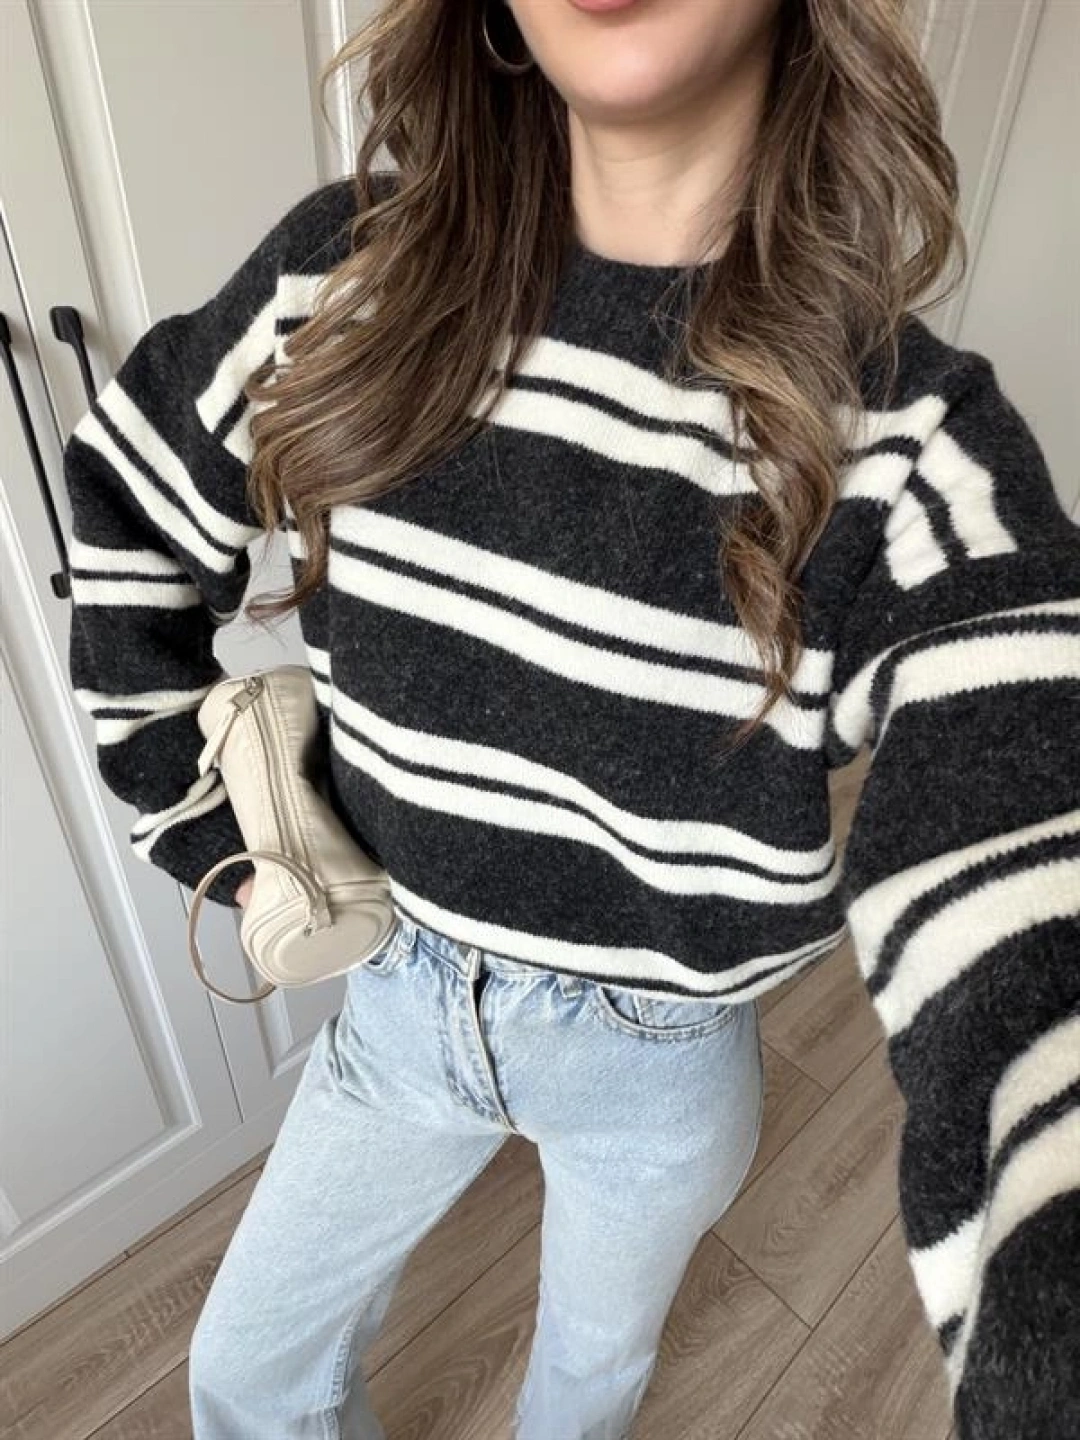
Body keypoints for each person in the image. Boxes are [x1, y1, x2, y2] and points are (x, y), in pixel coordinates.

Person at [61, 1, 1080, 1437]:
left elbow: (1036, 872)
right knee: (243, 1370)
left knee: (584, 1394)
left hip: (657, 1061)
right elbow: (130, 508)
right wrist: (210, 836)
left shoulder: (913, 442)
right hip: (399, 995)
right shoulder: (338, 282)